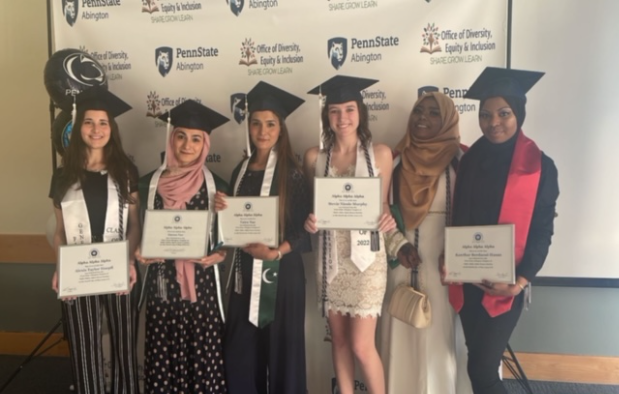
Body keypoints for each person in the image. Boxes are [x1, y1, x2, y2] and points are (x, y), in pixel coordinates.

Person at [446, 67, 559, 394]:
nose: (493, 122)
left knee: (482, 367)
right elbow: (460, 219)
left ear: (519, 113)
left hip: (507, 284)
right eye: (485, 114)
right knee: (476, 361)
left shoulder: (541, 167)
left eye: (504, 113)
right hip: (469, 280)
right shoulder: (468, 160)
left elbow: (542, 232)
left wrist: (519, 281)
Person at [215, 81, 310, 394]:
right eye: (256, 123)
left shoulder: (292, 172)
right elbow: (235, 223)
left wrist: (275, 253)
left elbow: (302, 230)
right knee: (241, 352)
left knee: (283, 356)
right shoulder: (240, 170)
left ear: (281, 128)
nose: (263, 131)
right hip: (244, 273)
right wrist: (222, 208)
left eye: (270, 124)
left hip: (281, 273)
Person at [303, 75, 396, 394]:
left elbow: (383, 207)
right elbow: (313, 207)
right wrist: (309, 222)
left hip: (367, 262)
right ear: (326, 115)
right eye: (334, 111)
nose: (342, 118)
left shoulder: (380, 154)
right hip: (330, 261)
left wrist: (388, 219)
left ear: (361, 113)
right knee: (339, 342)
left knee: (361, 345)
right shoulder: (314, 158)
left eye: (349, 109)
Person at [379, 91, 472, 394]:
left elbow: (478, 213)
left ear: (447, 120)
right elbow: (377, 213)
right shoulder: (393, 162)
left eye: (434, 113)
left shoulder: (463, 161)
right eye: (419, 111)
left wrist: (458, 253)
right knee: (400, 337)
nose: (423, 118)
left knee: (440, 342)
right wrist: (398, 245)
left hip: (447, 269)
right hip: (402, 264)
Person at [49, 87, 140, 394]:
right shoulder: (62, 177)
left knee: (124, 344)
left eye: (103, 122)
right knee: (84, 345)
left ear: (111, 128)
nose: (96, 129)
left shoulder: (126, 171)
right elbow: (60, 231)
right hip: (79, 269)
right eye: (89, 122)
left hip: (118, 266)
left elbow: (134, 225)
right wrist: (62, 269)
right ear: (78, 127)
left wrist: (129, 261)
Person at [136, 100, 230, 393]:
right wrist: (138, 252)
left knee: (203, 360)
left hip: (202, 291)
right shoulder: (146, 184)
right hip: (162, 289)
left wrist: (221, 253)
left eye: (196, 138)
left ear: (205, 144)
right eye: (181, 136)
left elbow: (226, 241)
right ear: (171, 137)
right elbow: (136, 234)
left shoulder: (219, 186)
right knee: (163, 361)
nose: (187, 145)